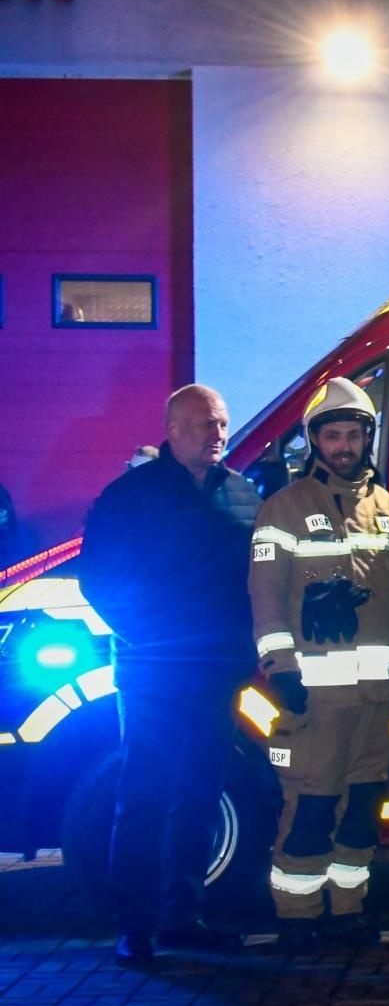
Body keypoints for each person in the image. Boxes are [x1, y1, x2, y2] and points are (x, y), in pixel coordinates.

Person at [78, 384, 261, 967]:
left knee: (200, 796)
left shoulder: (240, 495)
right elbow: (99, 580)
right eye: (207, 423)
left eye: (224, 424)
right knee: (144, 796)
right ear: (174, 427)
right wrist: (146, 637)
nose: (218, 434)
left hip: (216, 672)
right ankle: (133, 925)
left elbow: (252, 580)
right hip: (154, 672)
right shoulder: (130, 495)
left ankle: (184, 917)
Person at [249, 378, 389, 953]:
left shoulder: (386, 508)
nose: (343, 445)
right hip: (312, 697)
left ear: (368, 438)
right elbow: (263, 597)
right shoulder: (282, 508)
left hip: (373, 698)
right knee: (311, 807)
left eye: (353, 434)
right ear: (315, 442)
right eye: (332, 435)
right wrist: (280, 667)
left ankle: (347, 910)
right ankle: (298, 915)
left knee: (362, 807)